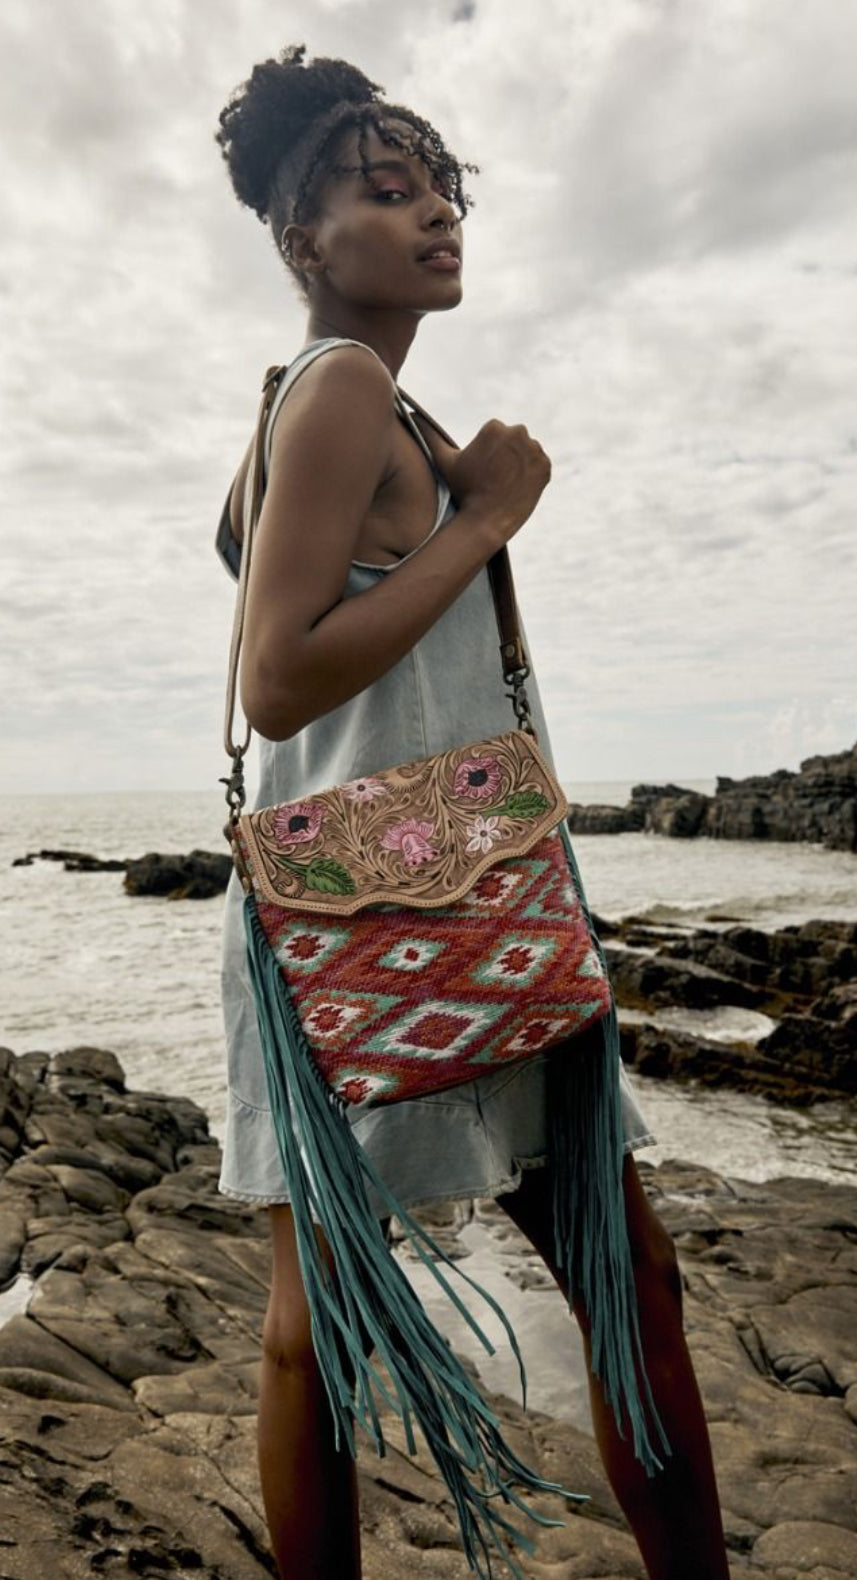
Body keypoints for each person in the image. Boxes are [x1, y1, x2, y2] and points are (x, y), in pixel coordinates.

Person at [213, 43, 729, 1580]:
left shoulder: (337, 401)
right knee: (610, 1288)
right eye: (388, 192)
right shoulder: (342, 386)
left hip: (392, 909)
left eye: (442, 187)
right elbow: (280, 681)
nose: (436, 214)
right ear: (303, 242)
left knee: (347, 1324)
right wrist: (491, 517)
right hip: (414, 909)